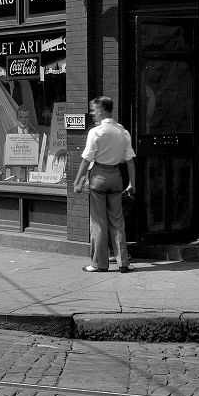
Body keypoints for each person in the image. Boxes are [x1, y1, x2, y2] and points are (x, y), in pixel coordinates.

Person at [73, 96, 136, 273]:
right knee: (118, 221)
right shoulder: (122, 131)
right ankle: (123, 262)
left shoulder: (96, 132)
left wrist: (78, 180)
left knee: (98, 222)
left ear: (101, 110)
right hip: (116, 176)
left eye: (94, 110)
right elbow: (130, 160)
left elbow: (86, 160)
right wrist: (132, 183)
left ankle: (99, 264)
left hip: (99, 177)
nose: (93, 114)